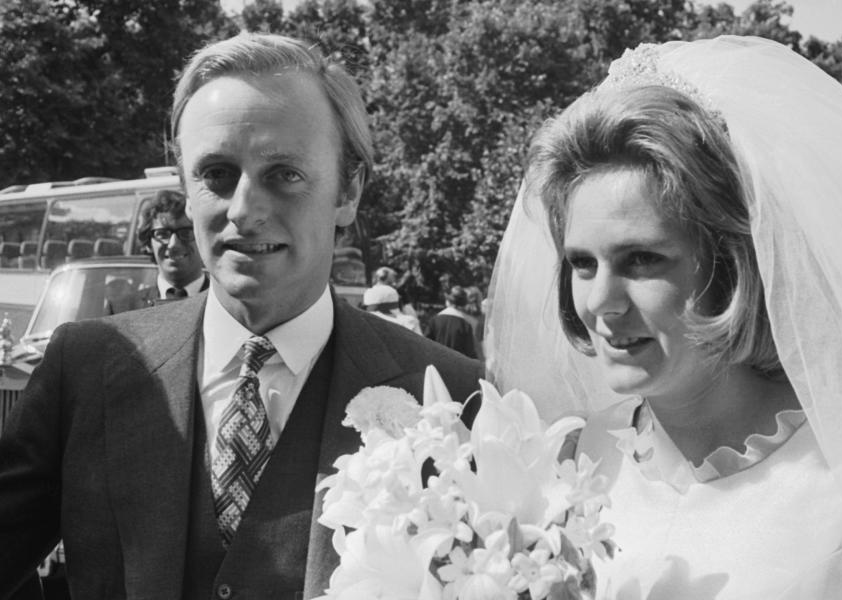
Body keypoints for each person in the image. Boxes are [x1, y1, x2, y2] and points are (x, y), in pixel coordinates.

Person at [0, 32, 482, 600]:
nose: (245, 210)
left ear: (348, 191)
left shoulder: (451, 400)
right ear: (184, 190)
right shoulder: (85, 370)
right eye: (217, 175)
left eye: (284, 174)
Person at [487, 36, 842, 599]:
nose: (602, 302)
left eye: (643, 259)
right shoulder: (570, 459)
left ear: (731, 264)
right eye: (583, 264)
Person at [135, 189, 209, 306]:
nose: (174, 244)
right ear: (148, 244)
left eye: (186, 233)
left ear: (203, 239)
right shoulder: (121, 309)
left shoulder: (231, 306)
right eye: (162, 234)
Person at [424, 285, 478, 359]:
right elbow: (470, 352)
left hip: (436, 364)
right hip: (458, 366)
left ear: (448, 302)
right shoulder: (465, 324)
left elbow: (426, 345)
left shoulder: (434, 320)